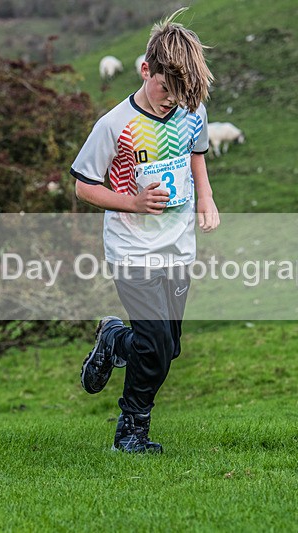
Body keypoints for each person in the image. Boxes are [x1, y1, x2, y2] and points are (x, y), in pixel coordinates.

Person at [70, 8, 218, 453]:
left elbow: (197, 154)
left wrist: (206, 199)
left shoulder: (192, 111)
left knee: (166, 348)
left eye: (179, 93)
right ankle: (130, 433)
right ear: (145, 69)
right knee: (154, 345)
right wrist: (132, 202)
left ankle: (114, 339)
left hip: (177, 247)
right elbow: (83, 187)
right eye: (164, 88)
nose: (170, 100)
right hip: (132, 249)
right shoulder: (114, 125)